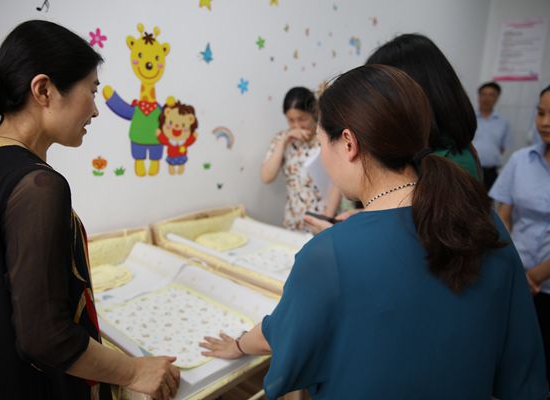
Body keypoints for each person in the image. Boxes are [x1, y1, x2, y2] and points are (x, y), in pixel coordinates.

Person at [200, 65, 547, 399]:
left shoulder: (328, 254)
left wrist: (238, 344)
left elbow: (281, 333)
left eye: (321, 143)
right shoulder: (483, 221)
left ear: (348, 143)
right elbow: (521, 360)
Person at [0, 20, 179, 400]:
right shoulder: (39, 186)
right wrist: (134, 369)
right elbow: (45, 337)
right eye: (91, 91)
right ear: (44, 90)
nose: (95, 110)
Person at [304, 33, 483, 234]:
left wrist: (346, 237)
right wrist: (368, 217)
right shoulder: (420, 163)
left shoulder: (450, 166)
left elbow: (429, 238)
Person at [490, 84, 550, 389]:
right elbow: (503, 214)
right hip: (516, 273)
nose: (545, 122)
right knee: (512, 360)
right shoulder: (521, 160)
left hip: (543, 283)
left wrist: (535, 276)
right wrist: (517, 268)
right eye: (540, 112)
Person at [261, 87, 341, 231]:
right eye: (291, 120)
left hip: (323, 216)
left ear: (314, 113)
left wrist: (328, 216)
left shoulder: (325, 138)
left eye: (302, 119)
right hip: (294, 219)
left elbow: (337, 182)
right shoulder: (281, 139)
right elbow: (267, 177)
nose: (297, 125)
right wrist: (284, 141)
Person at [473, 81, 512, 190]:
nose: (486, 98)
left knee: (487, 199)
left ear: (497, 98)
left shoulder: (503, 122)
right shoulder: (469, 118)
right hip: (469, 168)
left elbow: (504, 148)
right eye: (483, 94)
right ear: (478, 97)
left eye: (491, 95)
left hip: (491, 172)